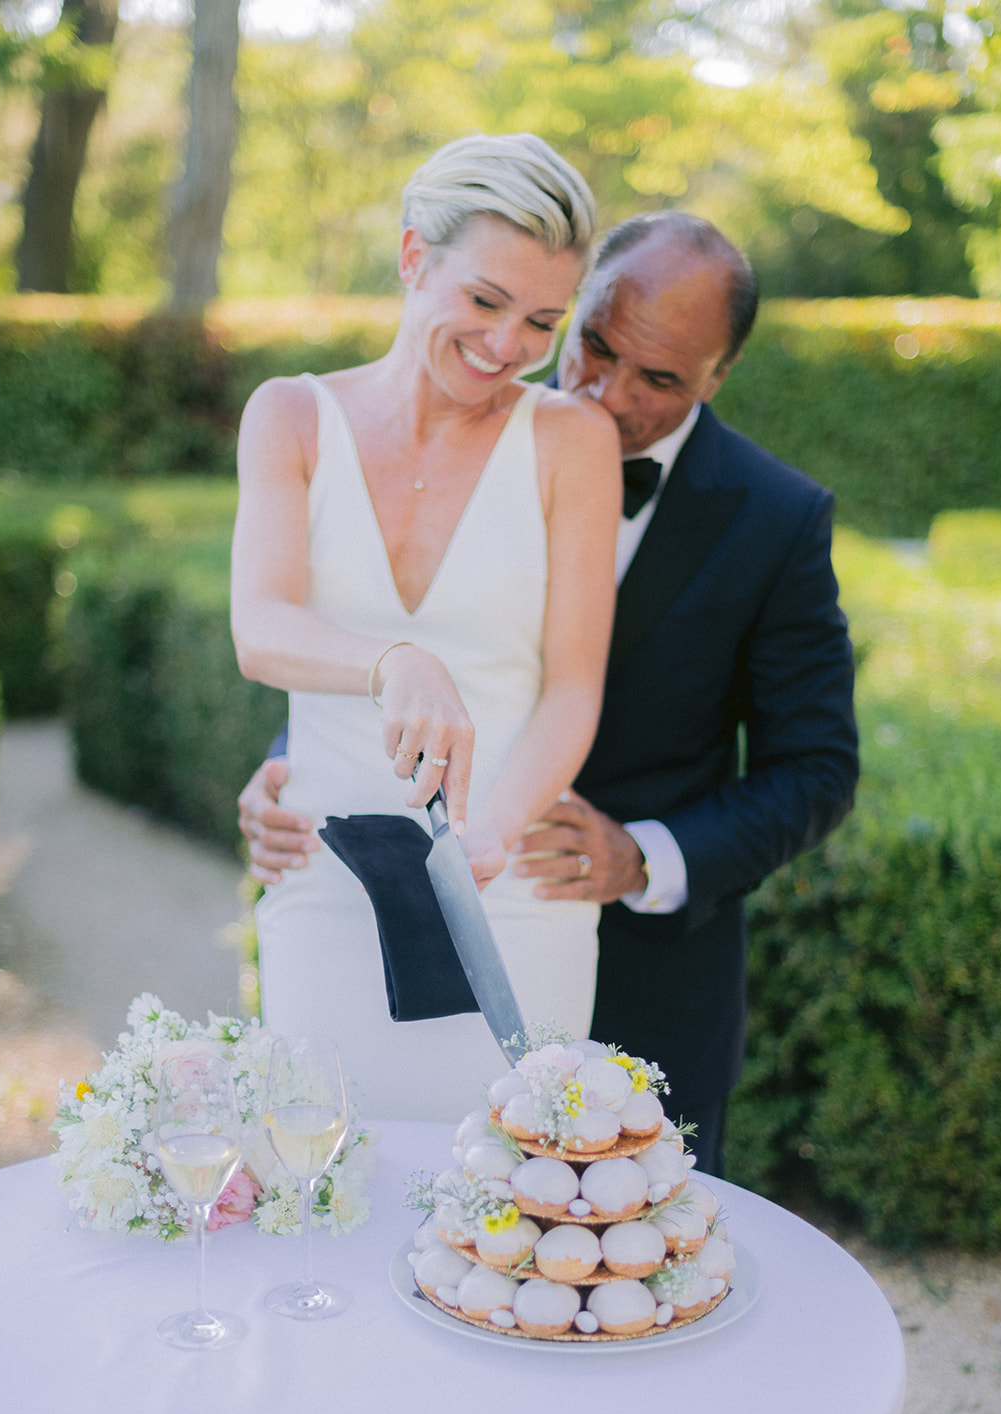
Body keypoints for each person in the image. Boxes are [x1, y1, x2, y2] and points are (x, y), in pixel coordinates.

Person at [238, 211, 858, 1170]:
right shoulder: (444, 429)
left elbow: (817, 769)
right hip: (412, 911)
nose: (605, 397)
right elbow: (391, 626)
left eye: (657, 379)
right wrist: (292, 766)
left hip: (645, 976)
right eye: (592, 346)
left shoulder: (776, 519)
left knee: (601, 1285)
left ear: (718, 375)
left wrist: (644, 856)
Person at [231, 133, 622, 1122]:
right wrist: (394, 660)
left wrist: (487, 836)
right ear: (413, 257)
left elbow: (573, 683)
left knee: (516, 1205)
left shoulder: (570, 443)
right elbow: (260, 627)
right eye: (485, 302)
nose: (507, 347)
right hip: (323, 875)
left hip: (513, 879)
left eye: (541, 321)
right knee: (318, 1183)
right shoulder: (288, 417)